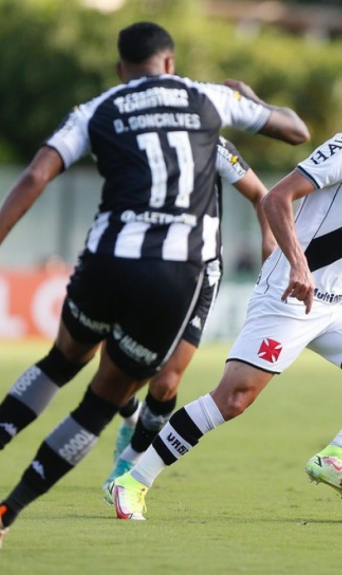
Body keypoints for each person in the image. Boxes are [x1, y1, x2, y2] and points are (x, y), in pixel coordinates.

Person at [0, 21, 309, 548]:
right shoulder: (210, 101)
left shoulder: (100, 107)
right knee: (99, 402)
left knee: (58, 363)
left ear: (120, 69)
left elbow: (36, 175)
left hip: (107, 259)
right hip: (172, 275)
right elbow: (296, 131)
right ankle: (4, 513)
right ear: (170, 63)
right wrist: (252, 99)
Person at [110, 73, 342, 520]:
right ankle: (132, 481)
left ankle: (336, 456)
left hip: (337, 306)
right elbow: (276, 200)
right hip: (288, 295)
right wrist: (298, 264)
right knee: (232, 400)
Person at [100, 135, 276, 503]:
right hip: (140, 263)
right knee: (117, 373)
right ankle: (131, 418)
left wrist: (269, 243)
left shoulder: (211, 142)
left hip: (198, 273)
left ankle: (130, 462)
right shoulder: (131, 135)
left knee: (166, 382)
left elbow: (262, 195)